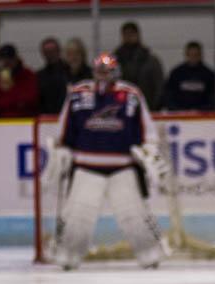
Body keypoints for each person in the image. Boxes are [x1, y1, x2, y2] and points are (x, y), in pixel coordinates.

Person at [43, 53, 169, 270]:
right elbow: (64, 129)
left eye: (107, 70)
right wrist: (61, 149)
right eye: (99, 70)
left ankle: (151, 254)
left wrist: (149, 149)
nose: (103, 75)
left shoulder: (131, 94)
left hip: (123, 167)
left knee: (134, 214)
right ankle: (68, 256)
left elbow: (147, 130)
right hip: (86, 166)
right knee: (77, 216)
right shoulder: (78, 93)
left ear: (116, 71)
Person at [113, 22, 164, 110]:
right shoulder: (115, 61)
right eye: (125, 34)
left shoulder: (150, 60)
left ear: (138, 35)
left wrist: (154, 107)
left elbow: (159, 85)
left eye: (131, 34)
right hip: (121, 109)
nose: (128, 37)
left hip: (146, 107)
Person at [0, 44, 38, 118]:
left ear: (16, 59)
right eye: (4, 59)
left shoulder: (28, 75)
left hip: (25, 119)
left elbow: (30, 99)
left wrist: (7, 101)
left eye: (10, 59)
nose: (7, 62)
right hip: (3, 119)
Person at [163, 41, 215, 111]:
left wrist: (202, 110)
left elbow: (213, 97)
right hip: (180, 114)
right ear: (186, 55)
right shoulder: (176, 73)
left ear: (201, 55)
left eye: (196, 55)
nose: (193, 58)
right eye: (190, 55)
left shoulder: (209, 75)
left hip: (203, 114)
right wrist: (177, 110)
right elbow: (168, 95)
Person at [37, 37, 68, 114]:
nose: (50, 55)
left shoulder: (70, 72)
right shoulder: (39, 76)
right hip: (47, 117)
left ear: (59, 51)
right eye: (47, 52)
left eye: (53, 51)